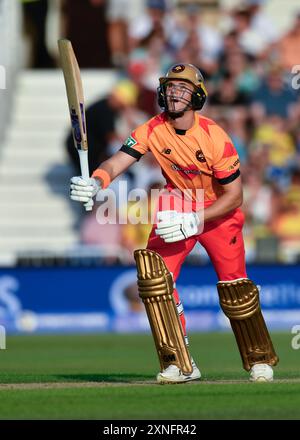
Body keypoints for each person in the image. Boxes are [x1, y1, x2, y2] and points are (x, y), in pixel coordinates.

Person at [70, 63, 279, 383]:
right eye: (170, 88)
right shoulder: (152, 128)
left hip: (217, 210)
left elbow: (235, 196)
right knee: (156, 282)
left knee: (235, 287)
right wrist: (98, 182)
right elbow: (118, 160)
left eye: (182, 88)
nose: (174, 93)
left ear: (197, 96)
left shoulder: (214, 137)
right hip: (177, 200)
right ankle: (179, 362)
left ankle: (259, 358)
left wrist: (195, 218)